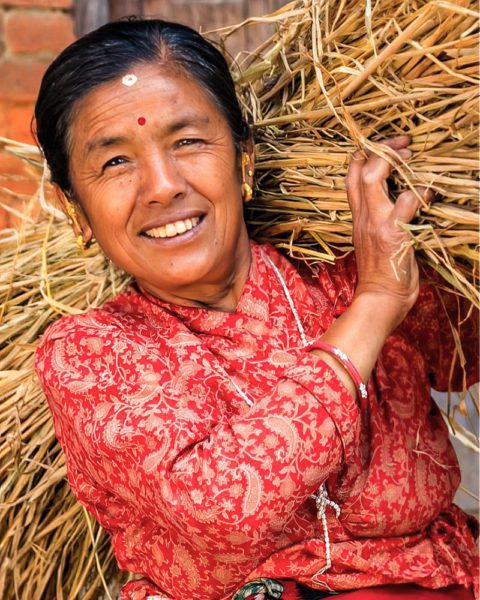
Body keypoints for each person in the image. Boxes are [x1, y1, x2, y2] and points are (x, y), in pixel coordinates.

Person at [33, 18, 478, 600]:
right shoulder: (88, 354)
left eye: (187, 141)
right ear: (76, 212)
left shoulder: (341, 264)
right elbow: (223, 507)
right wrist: (375, 307)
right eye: (115, 162)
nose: (163, 186)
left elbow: (460, 360)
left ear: (243, 159)